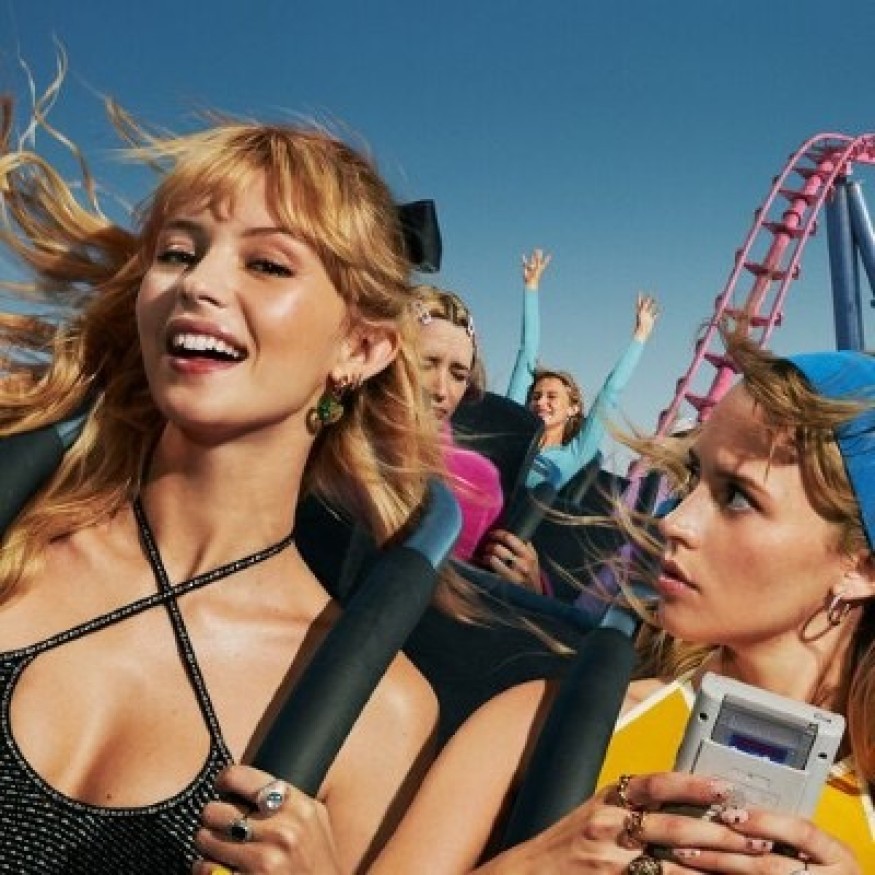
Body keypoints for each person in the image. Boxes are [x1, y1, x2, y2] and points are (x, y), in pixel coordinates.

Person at [0, 91, 443, 874]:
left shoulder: (379, 712)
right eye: (177, 253)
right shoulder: (15, 533)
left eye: (266, 264)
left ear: (361, 348)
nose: (197, 284)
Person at [372, 332, 874, 873]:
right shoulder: (539, 725)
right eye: (694, 478)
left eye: (738, 497)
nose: (675, 521)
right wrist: (531, 865)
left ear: (861, 568)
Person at [411, 284, 543, 592]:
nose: (441, 390)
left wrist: (533, 588)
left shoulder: (478, 482)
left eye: (458, 375)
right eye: (426, 363)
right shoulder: (325, 433)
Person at [506, 249, 660, 490]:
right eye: (536, 396)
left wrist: (640, 337)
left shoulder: (573, 455)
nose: (541, 402)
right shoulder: (512, 427)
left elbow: (609, 393)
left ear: (573, 408)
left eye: (552, 397)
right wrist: (531, 288)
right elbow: (527, 352)